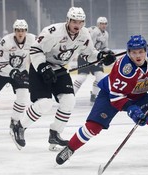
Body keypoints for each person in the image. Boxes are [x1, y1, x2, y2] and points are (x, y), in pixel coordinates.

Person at [56, 35, 148, 166]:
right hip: (111, 95)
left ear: (146, 51)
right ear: (128, 52)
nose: (137, 55)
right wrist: (131, 109)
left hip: (138, 94)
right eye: (133, 52)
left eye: (140, 52)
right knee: (93, 127)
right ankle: (70, 149)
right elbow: (116, 98)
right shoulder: (124, 68)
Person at [10, 7, 116, 151]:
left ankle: (55, 133)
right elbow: (35, 49)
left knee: (69, 100)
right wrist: (43, 67)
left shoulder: (84, 34)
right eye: (74, 21)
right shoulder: (53, 32)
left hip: (59, 67)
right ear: (68, 20)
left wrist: (100, 57)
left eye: (80, 22)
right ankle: (19, 127)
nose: (77, 25)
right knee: (45, 103)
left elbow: (89, 53)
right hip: (39, 67)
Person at [0, 19, 35, 130]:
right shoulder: (5, 41)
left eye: (23, 30)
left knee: (23, 97)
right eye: (18, 30)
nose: (20, 33)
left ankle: (15, 122)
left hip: (19, 72)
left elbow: (44, 47)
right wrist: (11, 71)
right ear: (14, 31)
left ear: (26, 31)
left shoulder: (32, 39)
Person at [73, 16, 110, 102]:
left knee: (100, 77)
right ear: (98, 24)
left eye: (105, 23)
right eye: (101, 23)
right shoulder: (94, 31)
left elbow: (104, 47)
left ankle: (94, 95)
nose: (103, 25)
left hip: (96, 57)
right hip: (85, 56)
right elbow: (89, 45)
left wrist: (109, 52)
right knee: (82, 77)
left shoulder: (106, 34)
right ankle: (70, 95)